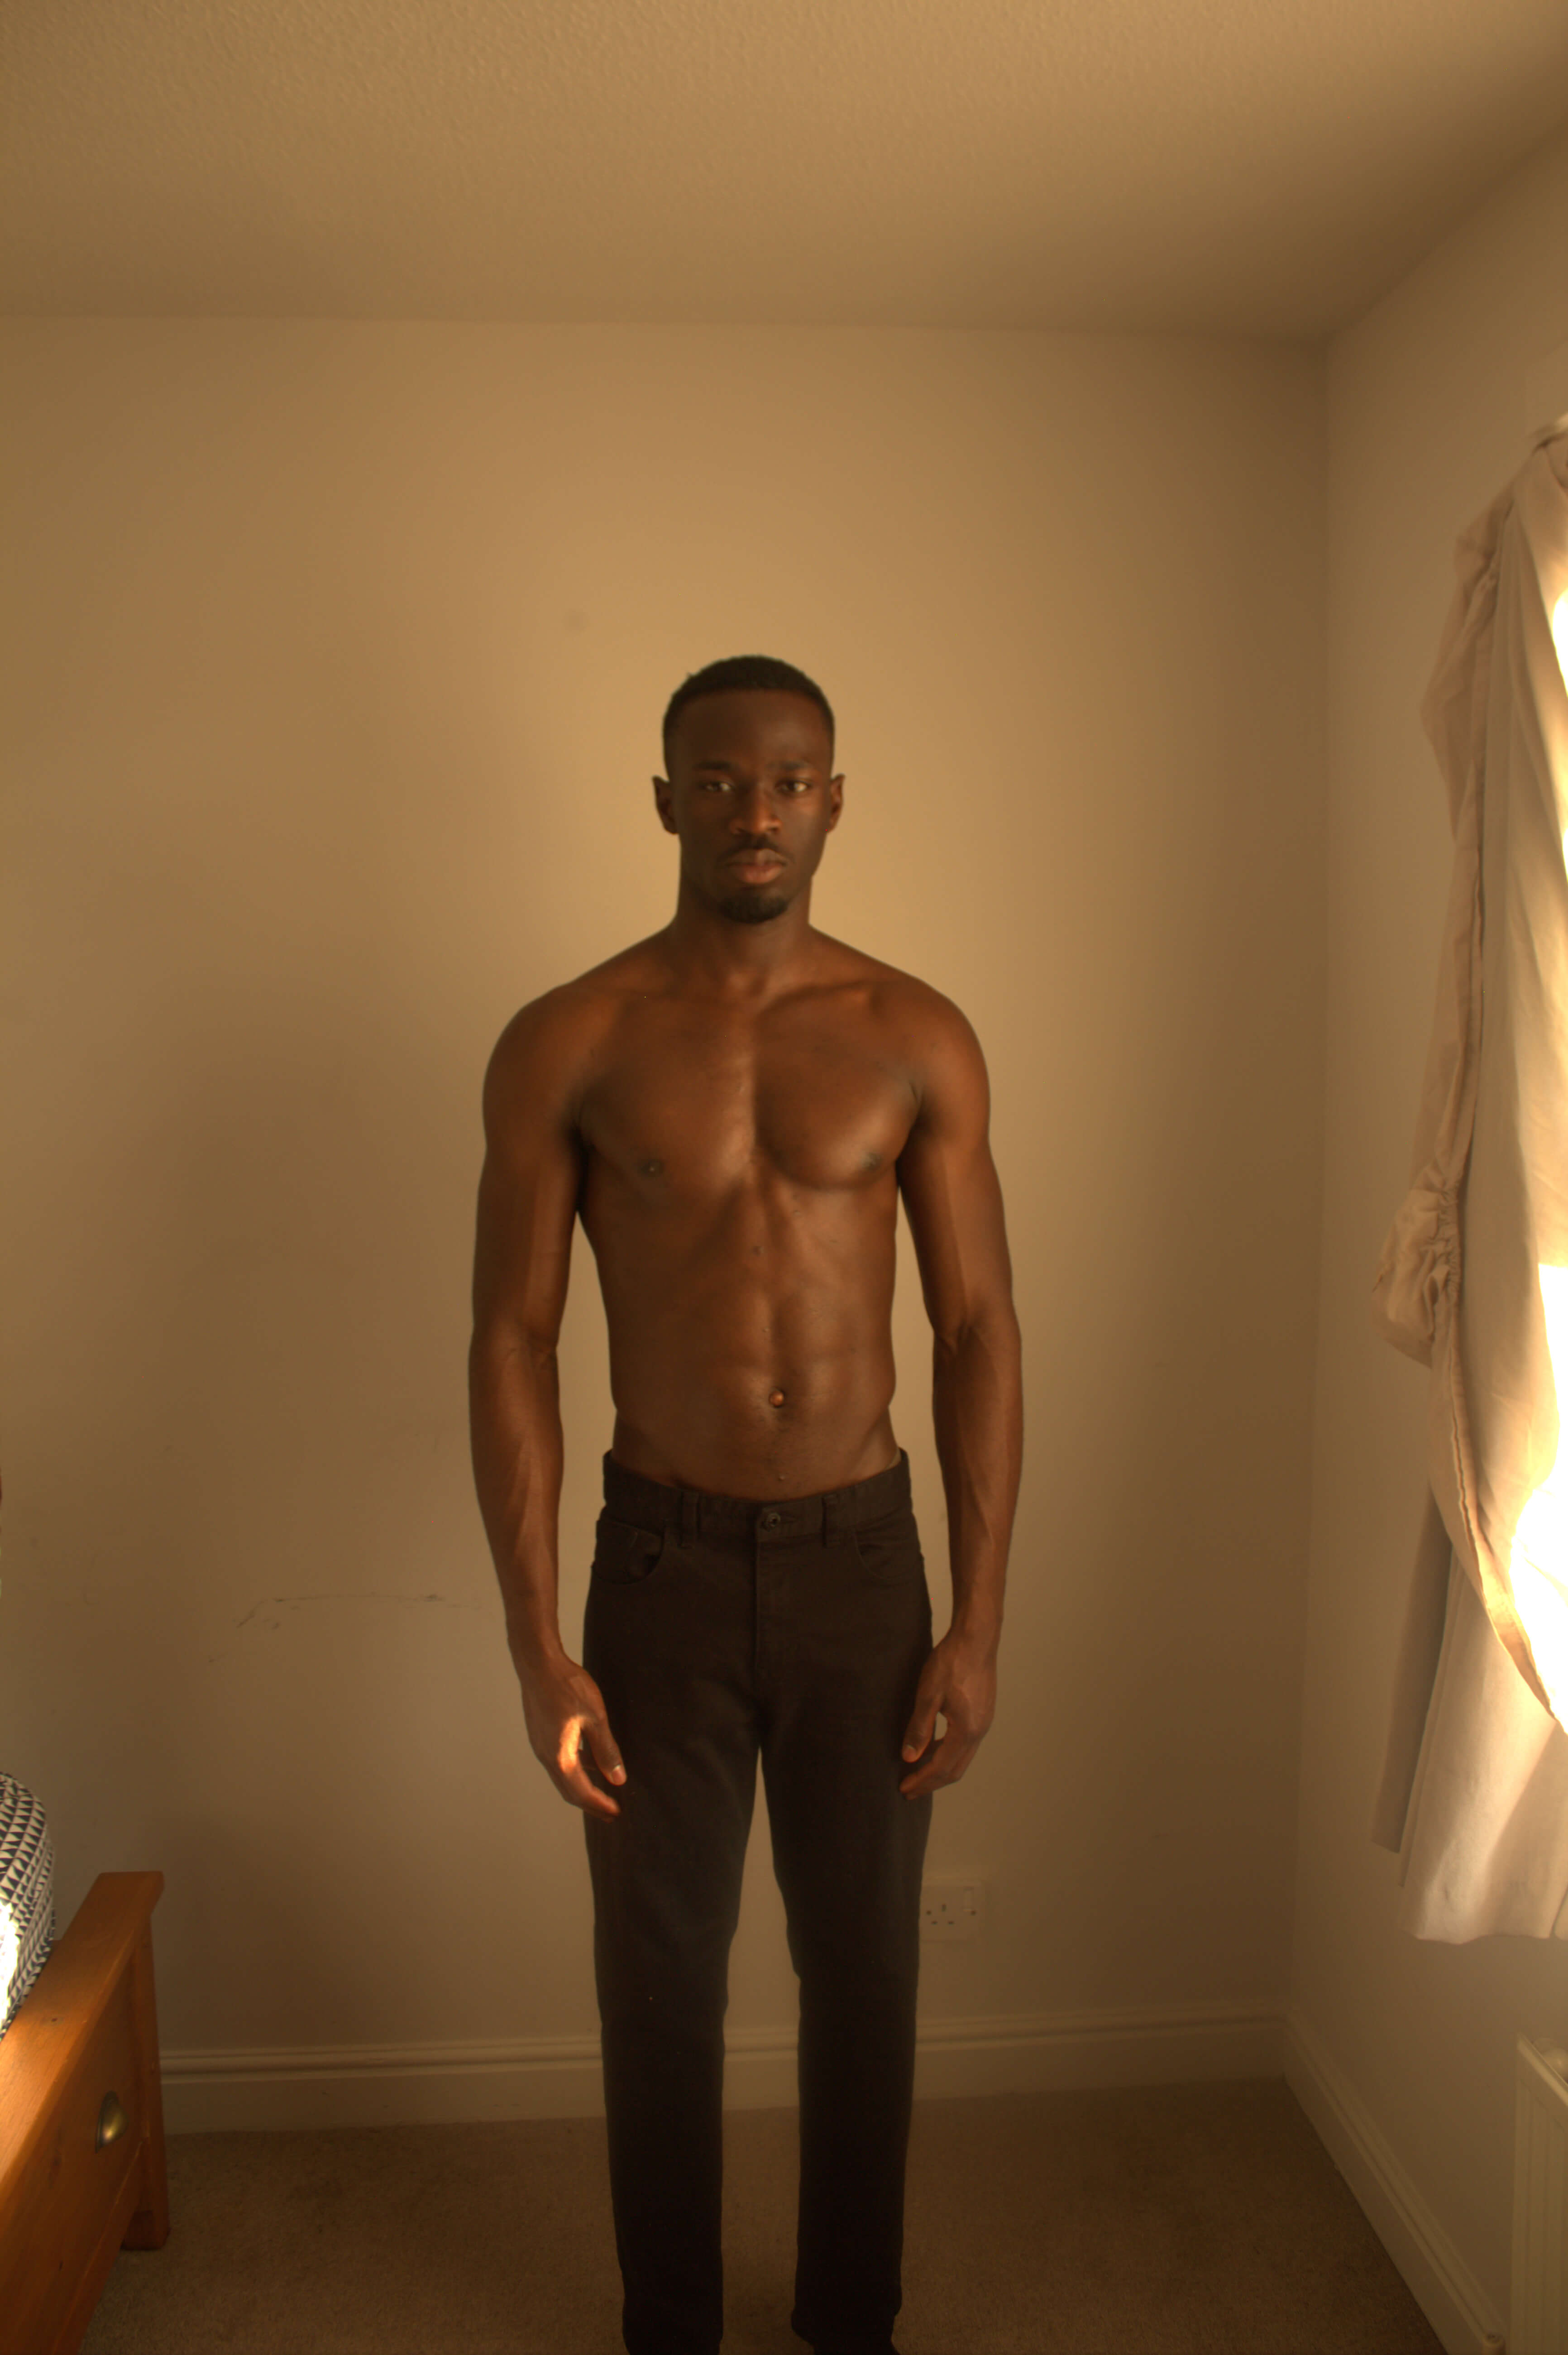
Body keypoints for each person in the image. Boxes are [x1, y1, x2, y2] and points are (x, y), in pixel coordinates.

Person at [469, 655, 1023, 2355]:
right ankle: (673, 2327)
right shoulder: (571, 1038)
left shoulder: (914, 1034)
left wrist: (980, 1620)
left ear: (835, 799)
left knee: (866, 1976)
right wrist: (536, 1641)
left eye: (788, 780)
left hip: (864, 1562)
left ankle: (851, 2319)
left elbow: (980, 1329)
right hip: (664, 1565)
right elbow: (511, 1337)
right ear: (666, 801)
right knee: (658, 1985)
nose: (755, 811)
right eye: (718, 780)